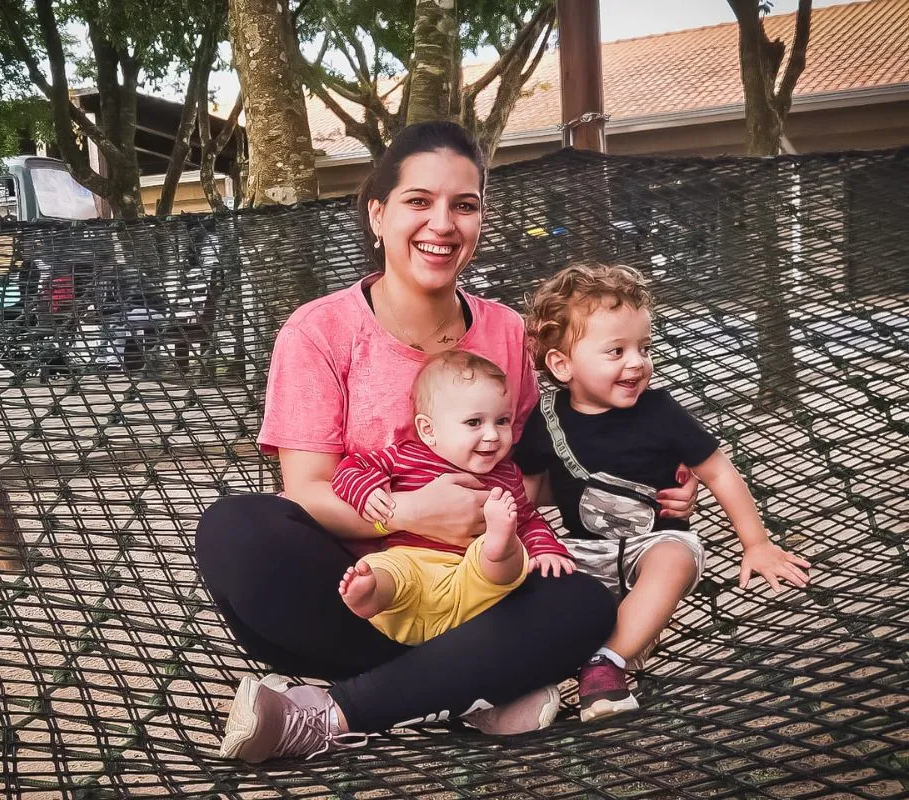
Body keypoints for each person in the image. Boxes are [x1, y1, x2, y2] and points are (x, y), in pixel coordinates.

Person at [194, 122, 699, 764]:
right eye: (418, 201)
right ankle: (477, 685)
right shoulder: (319, 331)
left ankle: (332, 713)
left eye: (464, 205)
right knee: (237, 529)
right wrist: (407, 513)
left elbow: (541, 458)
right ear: (378, 214)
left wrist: (649, 473)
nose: (442, 223)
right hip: (357, 590)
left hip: (480, 590)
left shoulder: (508, 333)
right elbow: (308, 490)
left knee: (581, 602)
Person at [516, 263, 812, 723]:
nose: (636, 362)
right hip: (581, 548)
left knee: (675, 556)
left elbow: (718, 471)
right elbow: (528, 494)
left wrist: (756, 543)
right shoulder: (546, 418)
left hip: (653, 542)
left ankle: (606, 665)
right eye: (616, 351)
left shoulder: (659, 411)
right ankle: (535, 674)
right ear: (562, 364)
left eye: (644, 348)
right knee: (533, 575)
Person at [332, 349, 574, 645]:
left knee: (504, 558)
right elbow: (352, 467)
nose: (492, 435)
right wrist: (367, 490)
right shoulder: (407, 456)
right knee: (388, 568)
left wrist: (546, 549)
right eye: (474, 422)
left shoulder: (507, 475)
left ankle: (497, 547)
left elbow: (529, 519)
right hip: (415, 564)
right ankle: (372, 593)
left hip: (472, 582)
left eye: (502, 421)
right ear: (428, 430)